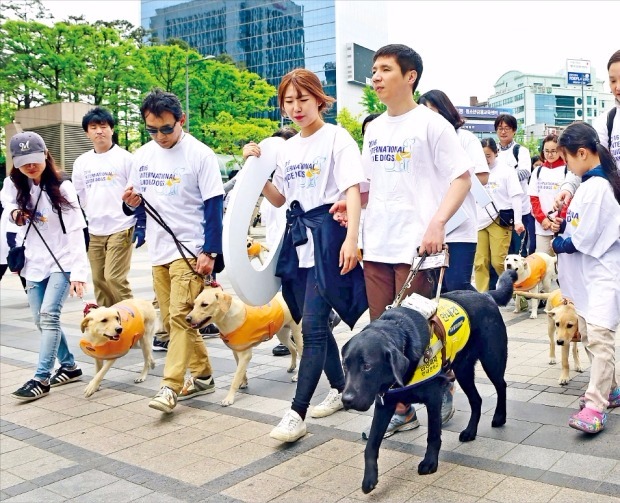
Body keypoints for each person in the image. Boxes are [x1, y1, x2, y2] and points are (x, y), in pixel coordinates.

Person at [333, 45, 473, 438]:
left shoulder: (432, 125)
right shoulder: (374, 127)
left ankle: (441, 388)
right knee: (383, 334)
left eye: (384, 70)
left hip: (417, 250)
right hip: (377, 245)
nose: (375, 77)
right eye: (373, 71)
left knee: (423, 331)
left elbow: (461, 178)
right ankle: (400, 406)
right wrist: (348, 214)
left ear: (410, 76)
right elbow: (366, 185)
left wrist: (437, 223)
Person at [258, 68, 366, 443]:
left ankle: (296, 413)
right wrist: (255, 169)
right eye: (288, 101)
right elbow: (280, 198)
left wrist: (352, 238)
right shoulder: (286, 148)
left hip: (329, 236)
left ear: (319, 98)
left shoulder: (337, 137)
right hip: (297, 241)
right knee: (311, 324)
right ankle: (339, 387)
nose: (296, 108)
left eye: (303, 99)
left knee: (315, 330)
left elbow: (352, 189)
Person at [122, 89, 224, 413]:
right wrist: (130, 205)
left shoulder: (200, 155)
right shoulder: (141, 156)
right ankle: (204, 375)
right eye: (152, 130)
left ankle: (170, 386)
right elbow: (135, 206)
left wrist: (210, 251)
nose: (160, 136)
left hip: (190, 249)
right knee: (171, 320)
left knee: (179, 318)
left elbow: (214, 207)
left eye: (167, 128)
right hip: (158, 250)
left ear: (181, 120)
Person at [1, 132, 86, 401]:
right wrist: (15, 213)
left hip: (62, 261)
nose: (31, 166)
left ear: (46, 154)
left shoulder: (62, 186)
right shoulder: (13, 185)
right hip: (33, 262)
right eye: (24, 162)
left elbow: (76, 231)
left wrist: (79, 273)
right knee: (40, 319)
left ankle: (41, 377)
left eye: (35, 160)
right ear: (16, 162)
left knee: (50, 315)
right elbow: (7, 204)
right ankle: (70, 366)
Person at [550, 121, 620, 433]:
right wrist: (561, 226)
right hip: (593, 273)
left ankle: (595, 404)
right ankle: (612, 387)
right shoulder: (589, 185)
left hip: (605, 273)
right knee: (593, 334)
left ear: (581, 153)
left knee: (600, 336)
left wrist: (561, 241)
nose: (566, 165)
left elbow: (584, 237)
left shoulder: (599, 188)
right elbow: (577, 226)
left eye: (566, 158)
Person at [72, 107, 145, 308]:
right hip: (95, 230)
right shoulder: (81, 162)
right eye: (93, 127)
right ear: (87, 132)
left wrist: (140, 225)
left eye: (103, 126)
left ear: (111, 129)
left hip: (121, 226)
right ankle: (107, 323)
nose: (99, 131)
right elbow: (80, 194)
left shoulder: (126, 158)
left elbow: (137, 192)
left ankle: (133, 318)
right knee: (98, 280)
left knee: (114, 277)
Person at [418, 89, 489, 292]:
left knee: (458, 285)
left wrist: (457, 181)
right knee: (436, 291)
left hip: (459, 225)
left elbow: (483, 176)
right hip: (428, 227)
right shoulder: (422, 141)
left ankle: (483, 314)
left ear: (446, 111)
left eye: (434, 111)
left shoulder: (464, 138)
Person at [555, 50, 620, 210]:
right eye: (612, 81)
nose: (617, 87)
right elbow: (584, 157)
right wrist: (568, 187)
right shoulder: (608, 121)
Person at [474, 138, 524, 292]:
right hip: (479, 220)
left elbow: (516, 196)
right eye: (482, 156)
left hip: (499, 220)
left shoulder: (506, 171)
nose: (485, 160)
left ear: (496, 153)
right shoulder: (474, 171)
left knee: (499, 262)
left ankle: (517, 291)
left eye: (488, 156)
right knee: (480, 262)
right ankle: (482, 296)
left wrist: (518, 221)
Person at [495, 114, 534, 256]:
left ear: (514, 130)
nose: (503, 132)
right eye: (500, 128)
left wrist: (505, 178)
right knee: (501, 252)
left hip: (520, 209)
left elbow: (525, 172)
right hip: (498, 209)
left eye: (507, 128)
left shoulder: (520, 151)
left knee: (518, 251)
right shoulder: (493, 152)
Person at [528, 134, 566, 256]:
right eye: (547, 151)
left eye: (553, 151)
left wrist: (559, 221)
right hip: (542, 227)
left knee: (562, 263)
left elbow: (570, 199)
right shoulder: (537, 171)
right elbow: (533, 199)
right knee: (543, 262)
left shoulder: (567, 170)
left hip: (561, 225)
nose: (550, 155)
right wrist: (542, 219)